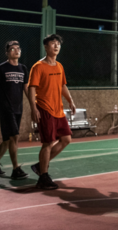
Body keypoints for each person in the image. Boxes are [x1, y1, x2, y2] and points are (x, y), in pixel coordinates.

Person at [29, 34, 76, 190]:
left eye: (58, 44)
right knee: (48, 143)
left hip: (58, 110)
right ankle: (43, 177)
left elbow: (63, 86)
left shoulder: (59, 66)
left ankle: (39, 166)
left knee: (66, 139)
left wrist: (71, 101)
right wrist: (33, 108)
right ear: (46, 46)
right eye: (52, 44)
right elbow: (32, 88)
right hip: (45, 108)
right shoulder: (38, 66)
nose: (56, 46)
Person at [0, 41, 30, 179]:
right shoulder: (1, 68)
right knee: (14, 137)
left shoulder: (23, 68)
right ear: (7, 52)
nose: (16, 51)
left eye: (18, 48)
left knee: (7, 140)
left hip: (18, 108)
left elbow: (26, 88)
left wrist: (34, 104)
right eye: (12, 49)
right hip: (6, 108)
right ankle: (16, 169)